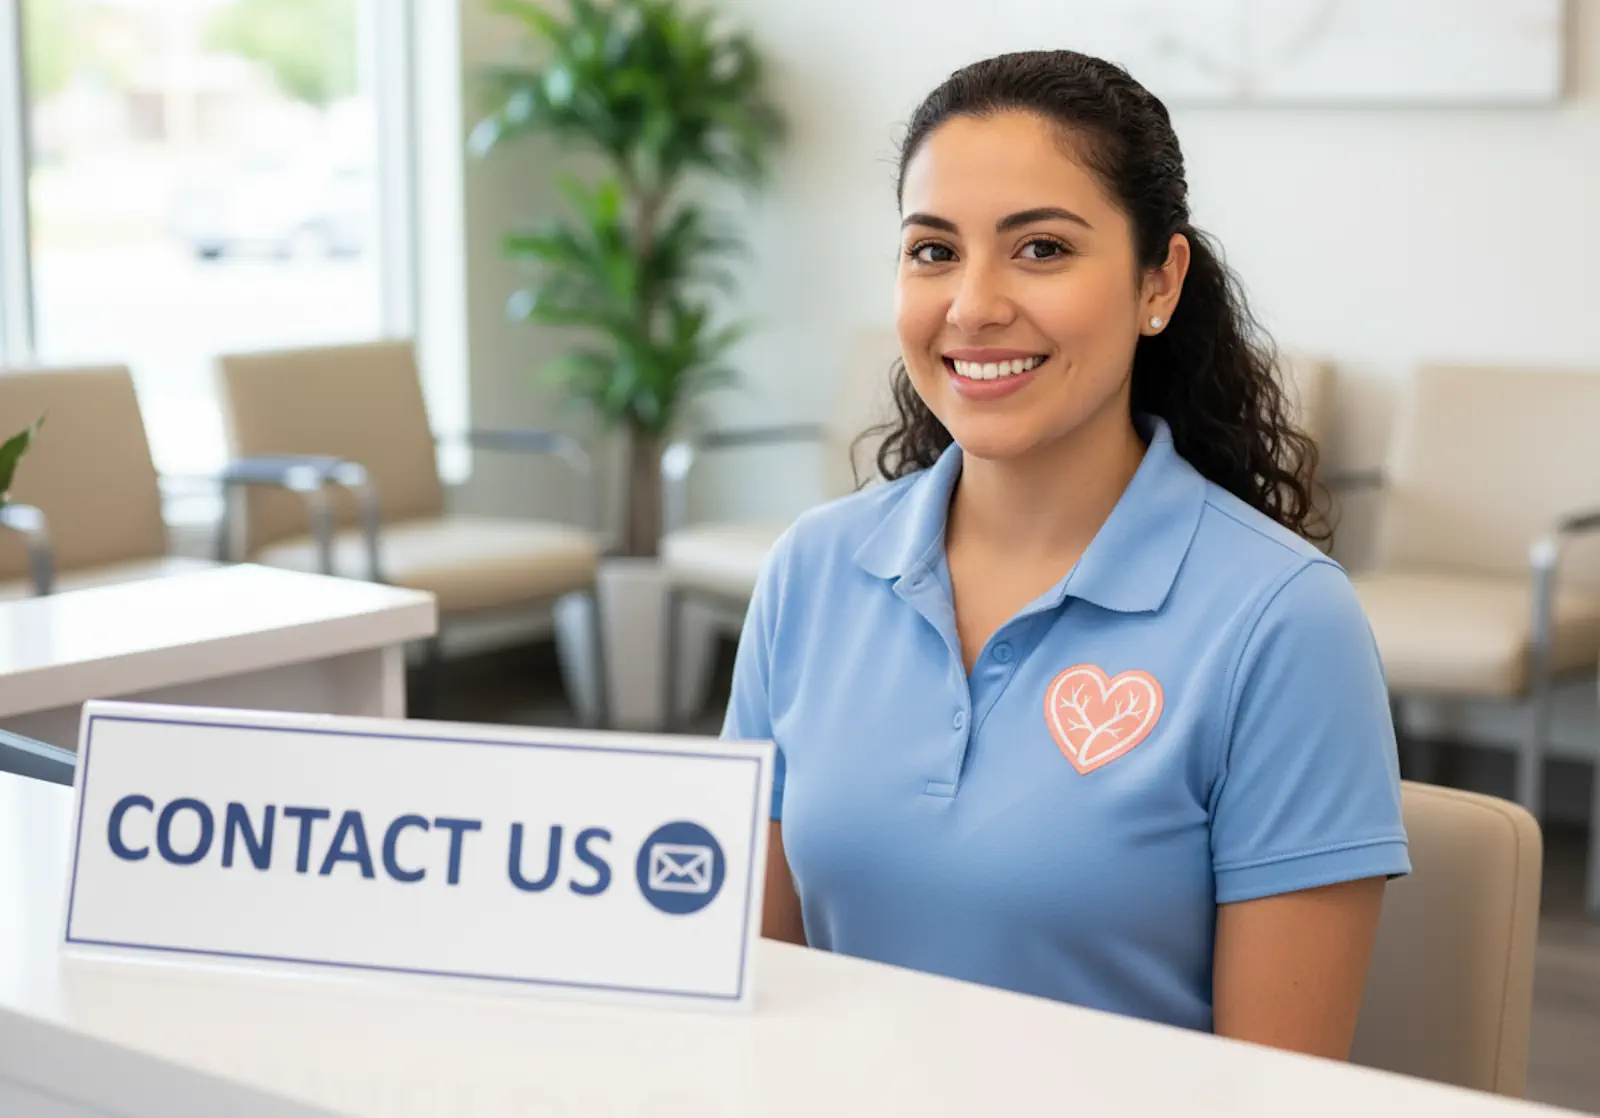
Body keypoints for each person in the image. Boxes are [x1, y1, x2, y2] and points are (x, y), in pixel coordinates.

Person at [722, 49, 1408, 1059]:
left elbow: (1276, 1089)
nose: (973, 305)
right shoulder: (809, 572)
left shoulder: (1282, 619)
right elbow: (753, 997)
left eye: (1040, 248)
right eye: (932, 250)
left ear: (1157, 281)